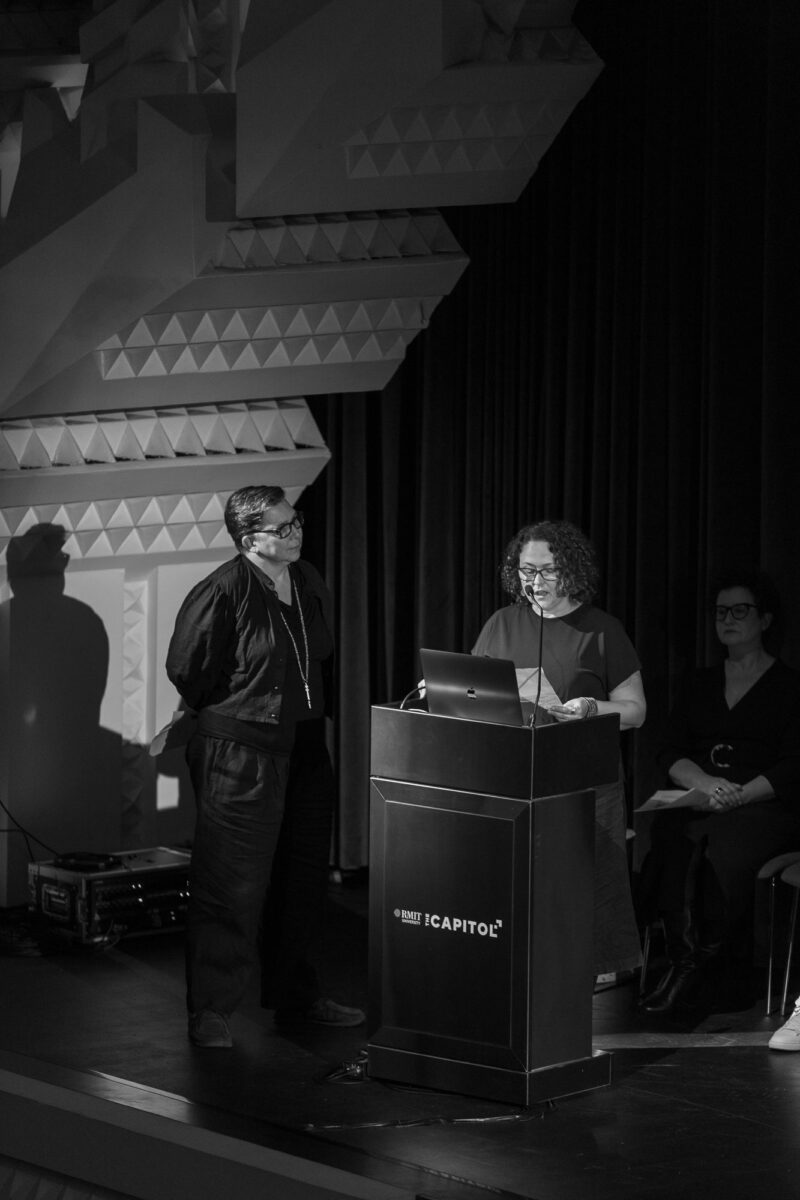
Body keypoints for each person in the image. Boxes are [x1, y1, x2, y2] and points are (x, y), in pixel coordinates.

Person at [165, 484, 364, 1048]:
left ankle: (296, 995)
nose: (295, 532)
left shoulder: (305, 580)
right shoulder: (221, 591)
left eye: (295, 521)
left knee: (299, 882)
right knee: (229, 884)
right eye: (281, 528)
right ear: (249, 539)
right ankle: (211, 1010)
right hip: (241, 751)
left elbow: (318, 654)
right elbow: (188, 669)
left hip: (303, 747)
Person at [472, 519, 646, 978]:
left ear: (572, 570)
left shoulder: (601, 629)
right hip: (516, 776)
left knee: (587, 883)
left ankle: (588, 976)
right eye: (527, 571)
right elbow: (474, 694)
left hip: (585, 779)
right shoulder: (501, 624)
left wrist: (590, 707)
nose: (536, 582)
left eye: (548, 570)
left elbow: (636, 711)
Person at [641, 569, 800, 1015]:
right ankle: (684, 962)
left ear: (765, 619)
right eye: (721, 612)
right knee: (673, 836)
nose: (728, 619)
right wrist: (707, 784)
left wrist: (739, 794)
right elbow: (669, 750)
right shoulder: (698, 683)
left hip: (763, 804)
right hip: (702, 795)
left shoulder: (790, 686)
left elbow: (794, 764)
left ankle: (705, 966)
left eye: (740, 610)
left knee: (720, 850)